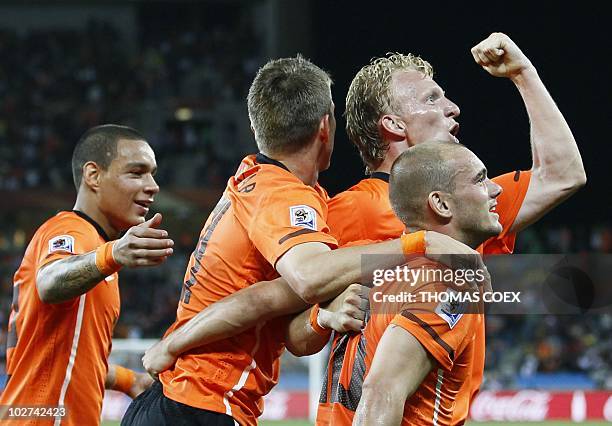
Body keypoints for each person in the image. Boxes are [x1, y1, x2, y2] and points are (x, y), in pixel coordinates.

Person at [122, 55, 458, 426]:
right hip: (204, 401)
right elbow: (301, 280)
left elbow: (278, 302)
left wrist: (322, 314)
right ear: (325, 127)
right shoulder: (282, 194)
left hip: (185, 399)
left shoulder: (255, 177)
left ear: (256, 126)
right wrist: (419, 245)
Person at [317, 32, 586, 424]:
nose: (453, 108)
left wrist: (522, 74)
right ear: (393, 124)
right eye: (431, 99)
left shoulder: (467, 206)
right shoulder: (348, 210)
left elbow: (563, 174)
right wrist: (321, 314)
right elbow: (285, 311)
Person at [0, 125, 174, 425]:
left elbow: (68, 356)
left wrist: (126, 379)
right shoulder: (70, 231)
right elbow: (49, 282)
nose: (152, 185)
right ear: (93, 175)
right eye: (136, 172)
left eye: (152, 173)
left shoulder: (96, 250)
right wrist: (114, 254)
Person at [350, 141, 500, 425]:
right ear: (441, 204)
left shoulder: (376, 270)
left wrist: (321, 316)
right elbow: (380, 391)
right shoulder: (447, 282)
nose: (496, 189)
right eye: (480, 179)